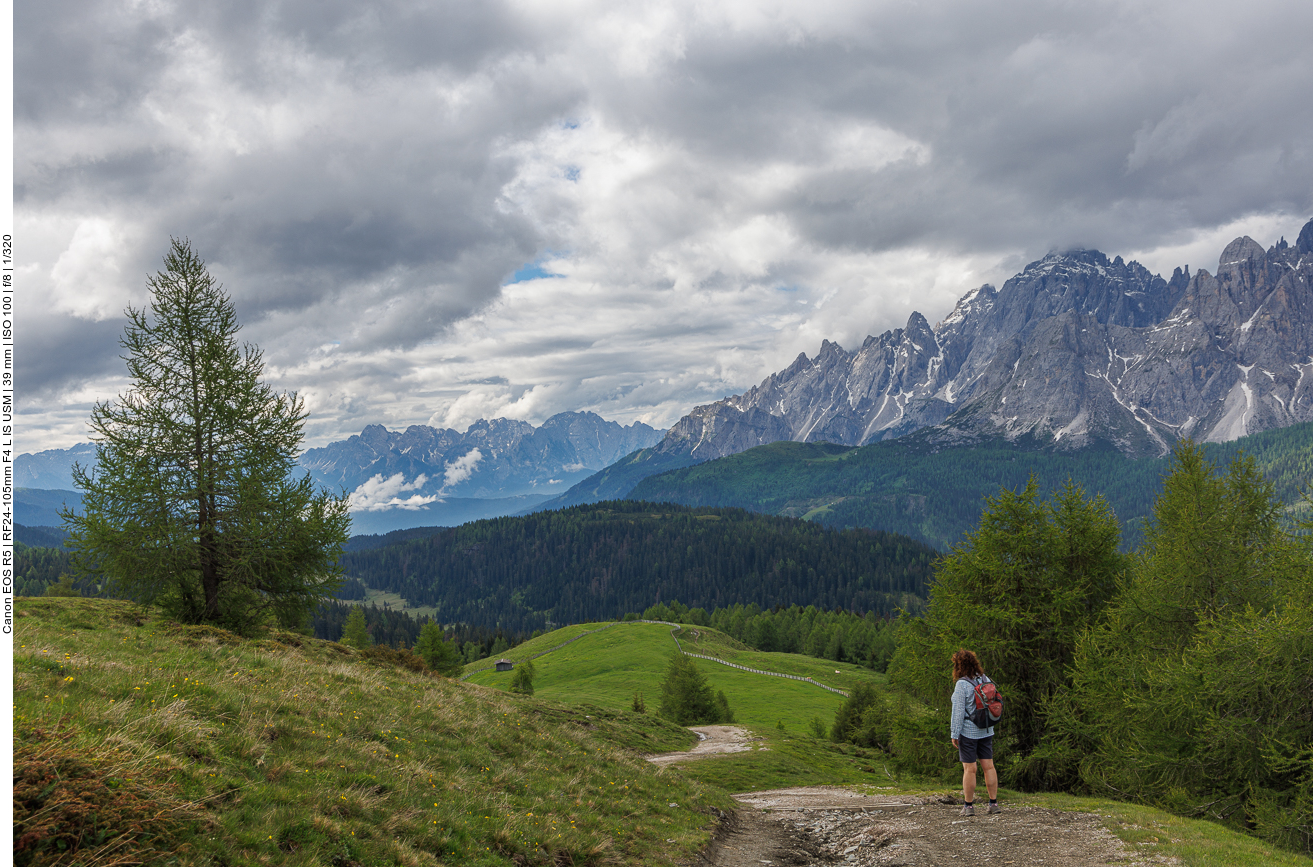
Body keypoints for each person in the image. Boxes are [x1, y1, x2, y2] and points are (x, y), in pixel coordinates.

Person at [950, 648, 999, 816]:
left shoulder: (962, 684)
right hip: (987, 730)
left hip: (969, 732)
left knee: (970, 769)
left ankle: (969, 806)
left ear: (958, 666)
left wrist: (954, 734)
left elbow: (957, 712)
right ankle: (993, 803)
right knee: (989, 766)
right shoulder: (985, 679)